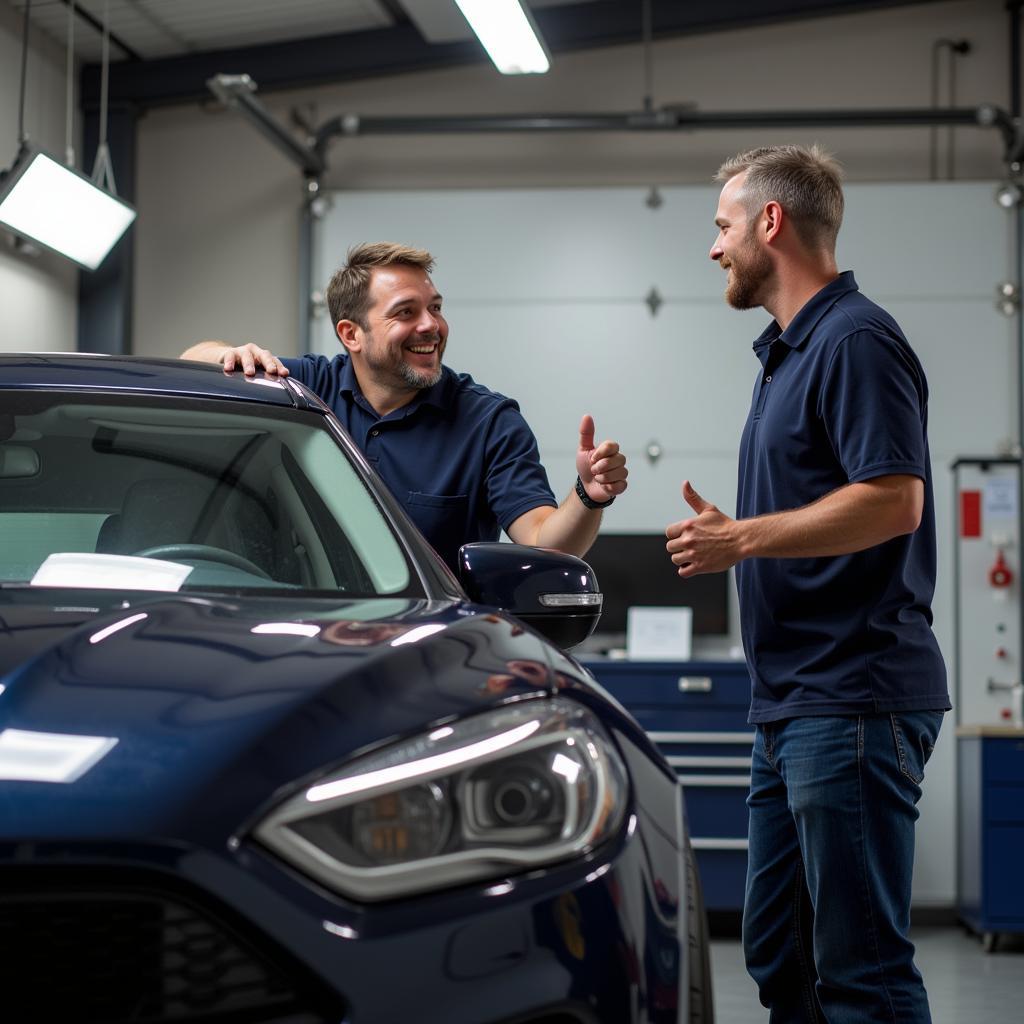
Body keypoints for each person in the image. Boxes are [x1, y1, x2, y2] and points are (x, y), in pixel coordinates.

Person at [664, 145, 949, 1023]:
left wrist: (740, 540)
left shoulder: (854, 340)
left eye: (722, 226)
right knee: (778, 952)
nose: (714, 247)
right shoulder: (789, 353)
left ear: (770, 223)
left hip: (853, 697)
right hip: (790, 700)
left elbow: (896, 501)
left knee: (862, 968)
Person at [182, 242, 627, 572]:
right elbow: (191, 361)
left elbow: (544, 542)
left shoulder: (489, 423)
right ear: (351, 334)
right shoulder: (305, 387)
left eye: (435, 308)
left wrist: (588, 495)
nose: (431, 326)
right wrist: (232, 353)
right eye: (406, 312)